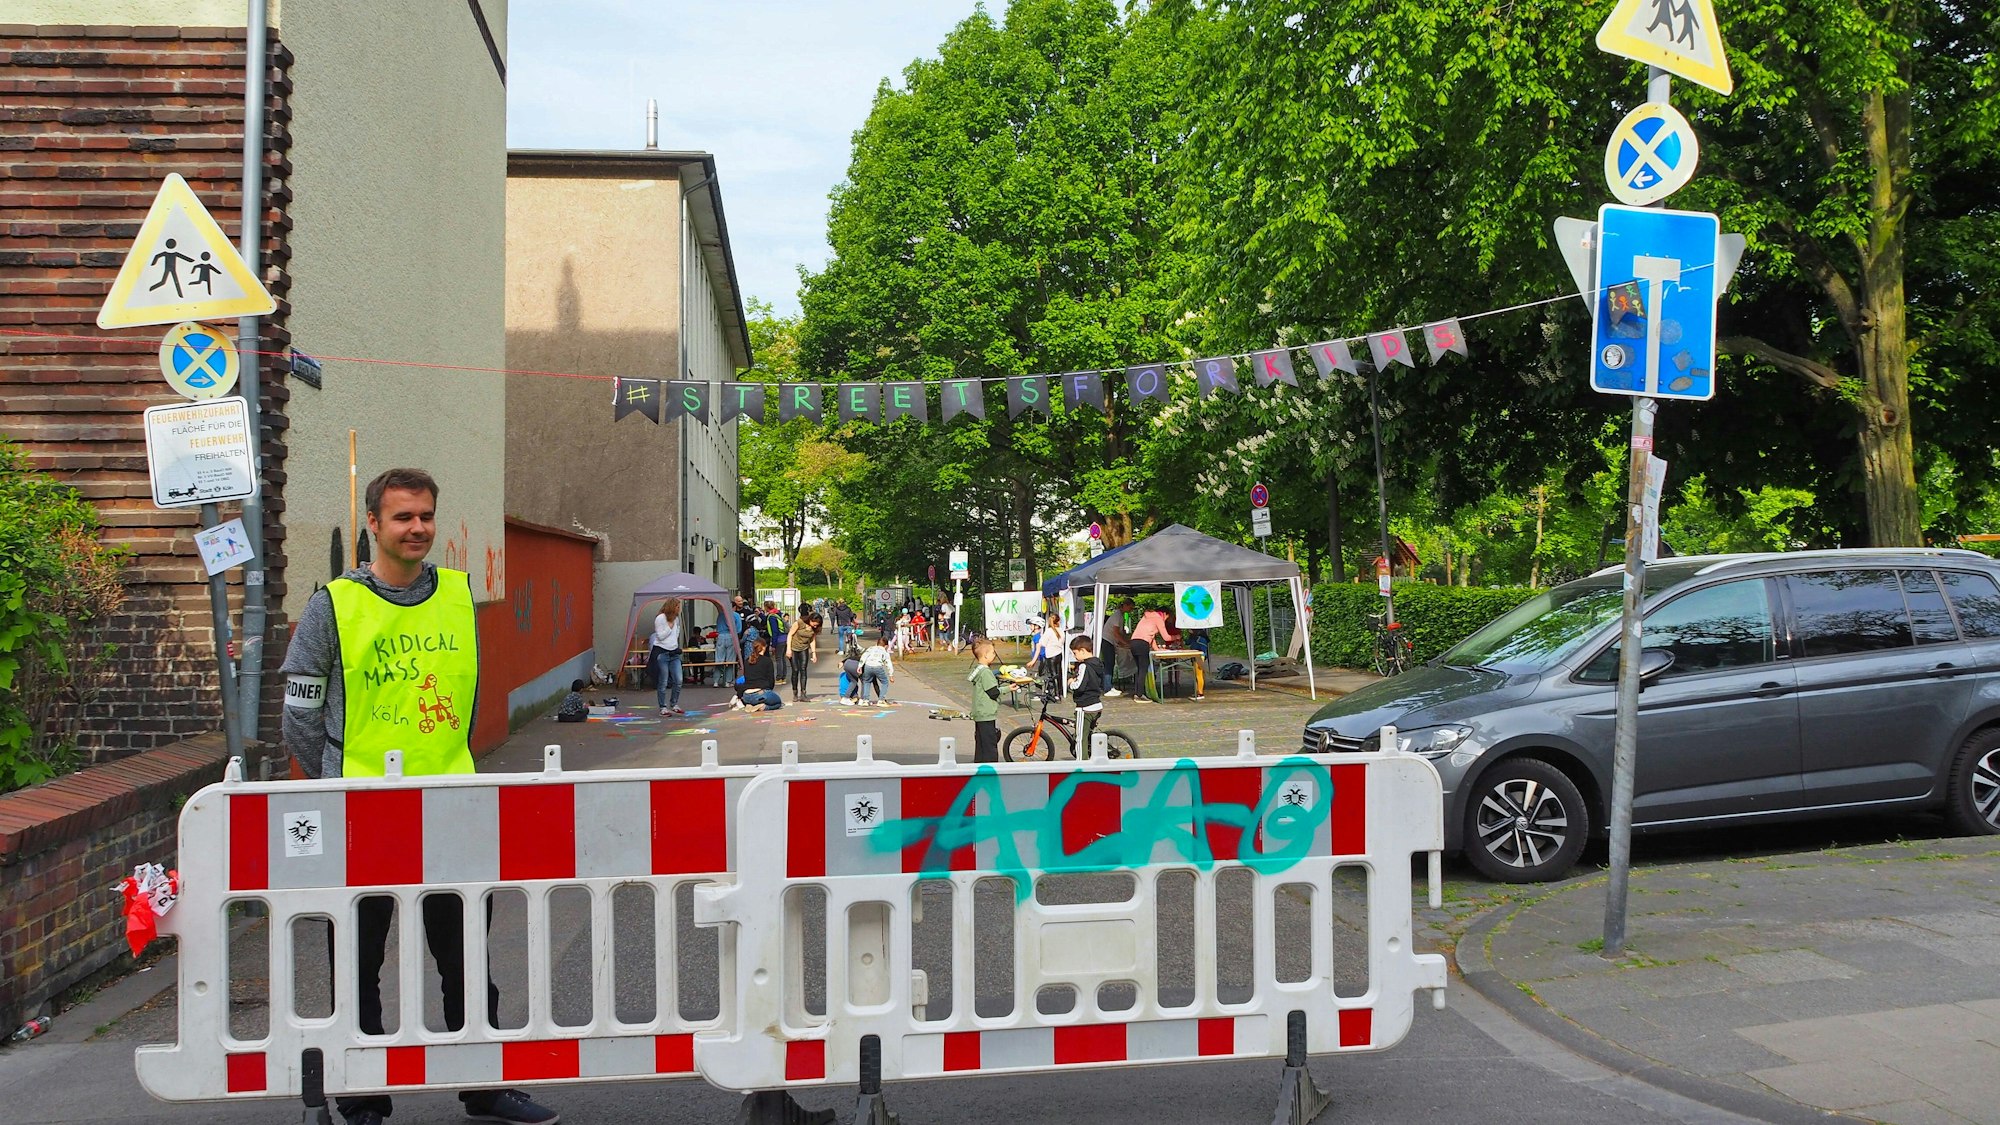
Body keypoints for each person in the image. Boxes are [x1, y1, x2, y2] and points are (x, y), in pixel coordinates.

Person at [280, 468, 557, 1125]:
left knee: (464, 951)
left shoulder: (458, 596)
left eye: (426, 515)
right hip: (362, 807)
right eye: (403, 516)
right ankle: (363, 1093)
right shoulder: (335, 604)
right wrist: (331, 781)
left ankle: (484, 1084)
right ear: (372, 523)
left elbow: (465, 695)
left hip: (448, 803)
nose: (418, 528)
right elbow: (300, 706)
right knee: (358, 953)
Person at [1128, 601, 1181, 703]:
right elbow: (1166, 637)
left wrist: (1157, 649)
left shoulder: (1147, 617)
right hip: (1142, 644)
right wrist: (1177, 636)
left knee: (1140, 670)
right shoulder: (1158, 619)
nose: (1166, 621)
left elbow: (1151, 636)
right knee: (1143, 670)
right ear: (1165, 614)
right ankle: (1139, 695)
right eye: (1167, 618)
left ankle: (1138, 693)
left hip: (1134, 642)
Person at [1067, 634, 1109, 754]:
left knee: (1080, 739)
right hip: (1097, 705)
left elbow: (1079, 686)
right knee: (1088, 734)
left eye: (1075, 653)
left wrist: (1070, 682)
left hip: (1085, 707)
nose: (1075, 657)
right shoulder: (1098, 663)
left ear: (1082, 651)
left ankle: (1082, 767)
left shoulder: (1084, 666)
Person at [967, 639, 1002, 762]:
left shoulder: (978, 669)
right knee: (990, 746)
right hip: (987, 713)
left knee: (981, 745)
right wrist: (1008, 688)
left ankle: (979, 767)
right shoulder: (986, 672)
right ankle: (991, 770)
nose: (994, 655)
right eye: (993, 652)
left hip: (979, 712)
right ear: (986, 655)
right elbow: (993, 692)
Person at [651, 599, 685, 716]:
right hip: (662, 653)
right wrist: (669, 626)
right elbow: (660, 636)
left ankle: (674, 703)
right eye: (677, 607)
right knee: (663, 681)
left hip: (673, 653)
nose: (678, 609)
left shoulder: (676, 619)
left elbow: (676, 634)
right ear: (672, 607)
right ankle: (662, 707)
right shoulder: (660, 618)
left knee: (679, 679)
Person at [737, 637, 783, 711]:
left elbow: (746, 677)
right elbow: (771, 682)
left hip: (746, 695)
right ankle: (763, 707)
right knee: (778, 703)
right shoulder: (767, 661)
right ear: (764, 647)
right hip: (760, 693)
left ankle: (750, 704)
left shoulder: (747, 661)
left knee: (756, 699)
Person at [1100, 599, 1134, 697]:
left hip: (1110, 641)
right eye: (1130, 608)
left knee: (1110, 663)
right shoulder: (1117, 616)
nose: (1131, 610)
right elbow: (1116, 633)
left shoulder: (1121, 615)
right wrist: (1125, 642)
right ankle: (1107, 688)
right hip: (1107, 641)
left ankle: (1109, 686)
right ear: (1125, 606)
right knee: (1109, 663)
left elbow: (1120, 632)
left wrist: (1125, 641)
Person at [786, 607, 818, 701]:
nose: (815, 626)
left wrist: (814, 653)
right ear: (810, 620)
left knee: (803, 669)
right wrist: (788, 649)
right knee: (795, 670)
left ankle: (803, 693)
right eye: (814, 624)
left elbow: (812, 640)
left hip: (804, 648)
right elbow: (790, 635)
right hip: (794, 648)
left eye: (817, 625)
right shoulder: (799, 623)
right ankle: (795, 692)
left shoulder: (814, 629)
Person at [859, 635, 894, 702]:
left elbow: (864, 656)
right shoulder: (884, 652)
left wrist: (860, 666)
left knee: (866, 681)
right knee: (884, 682)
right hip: (878, 666)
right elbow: (888, 663)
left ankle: (865, 700)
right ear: (886, 646)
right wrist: (891, 675)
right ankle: (881, 699)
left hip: (868, 666)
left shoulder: (871, 648)